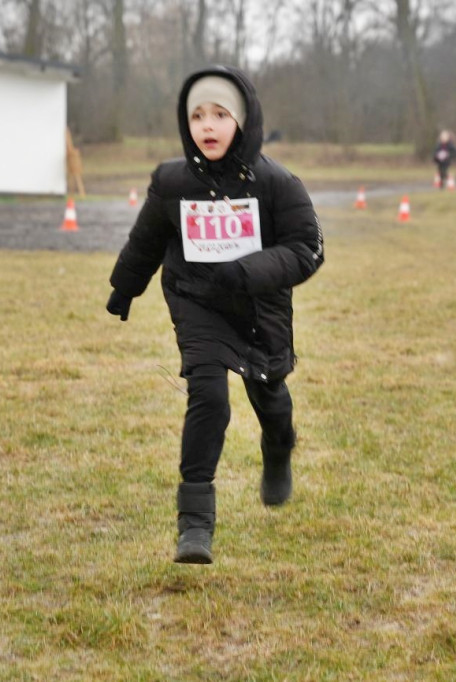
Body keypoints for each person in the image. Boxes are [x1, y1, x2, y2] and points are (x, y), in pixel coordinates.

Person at [106, 66, 325, 565]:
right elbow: (147, 240)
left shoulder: (276, 183)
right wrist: (124, 287)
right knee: (209, 396)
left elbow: (307, 249)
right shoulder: (172, 181)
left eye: (220, 115)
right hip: (197, 300)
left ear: (242, 121)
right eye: (197, 115)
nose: (207, 125)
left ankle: (279, 447)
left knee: (270, 395)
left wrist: (248, 271)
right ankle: (195, 524)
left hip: (258, 307)